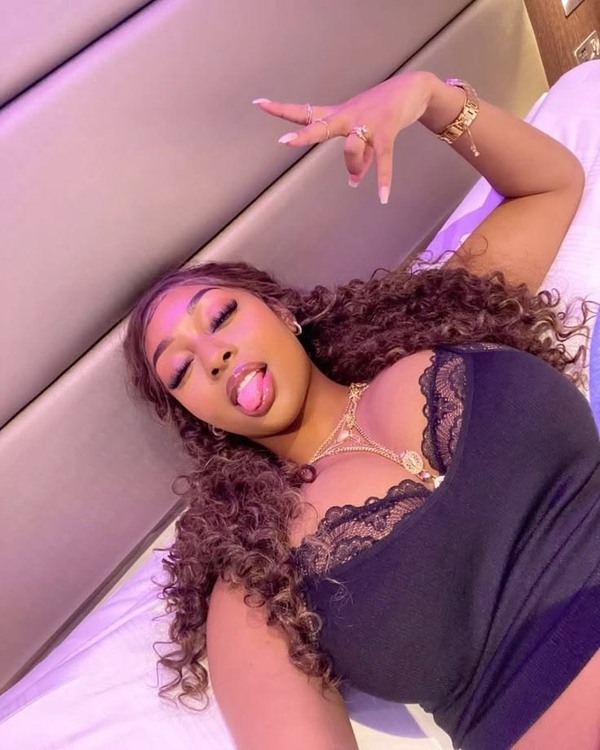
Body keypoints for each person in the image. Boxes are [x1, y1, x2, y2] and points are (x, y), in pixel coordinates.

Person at [123, 70, 600, 750]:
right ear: (196, 417)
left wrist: (429, 96)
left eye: (221, 316)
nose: (214, 355)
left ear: (282, 311)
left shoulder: (439, 321)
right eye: (180, 369)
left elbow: (552, 184)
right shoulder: (255, 572)